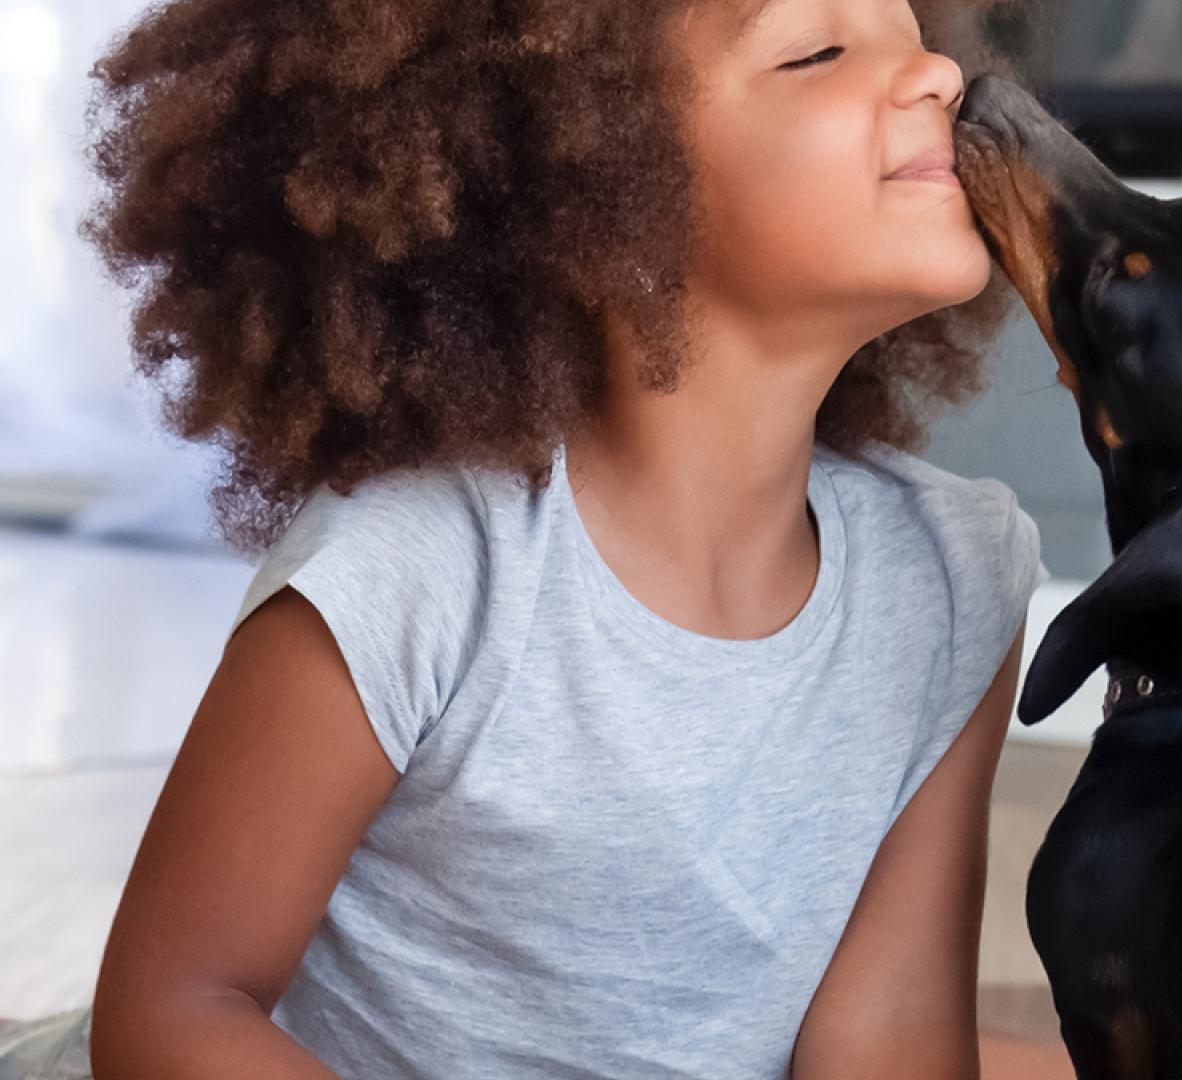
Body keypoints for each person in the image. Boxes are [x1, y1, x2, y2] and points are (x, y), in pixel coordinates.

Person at [0, 0, 1048, 1076]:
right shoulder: (420, 564)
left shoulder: (951, 576)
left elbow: (887, 1040)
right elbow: (175, 1007)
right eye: (815, 51)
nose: (936, 78)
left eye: (917, 35)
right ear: (607, 197)